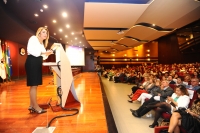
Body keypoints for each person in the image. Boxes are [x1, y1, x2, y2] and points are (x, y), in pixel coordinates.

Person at [25, 27, 53, 114]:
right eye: (43, 32)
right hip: (32, 62)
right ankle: (36, 107)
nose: (45, 34)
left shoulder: (41, 44)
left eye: (46, 33)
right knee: (33, 85)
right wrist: (44, 53)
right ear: (39, 33)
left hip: (37, 63)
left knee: (34, 85)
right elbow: (31, 51)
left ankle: (31, 105)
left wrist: (47, 53)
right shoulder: (33, 38)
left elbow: (43, 56)